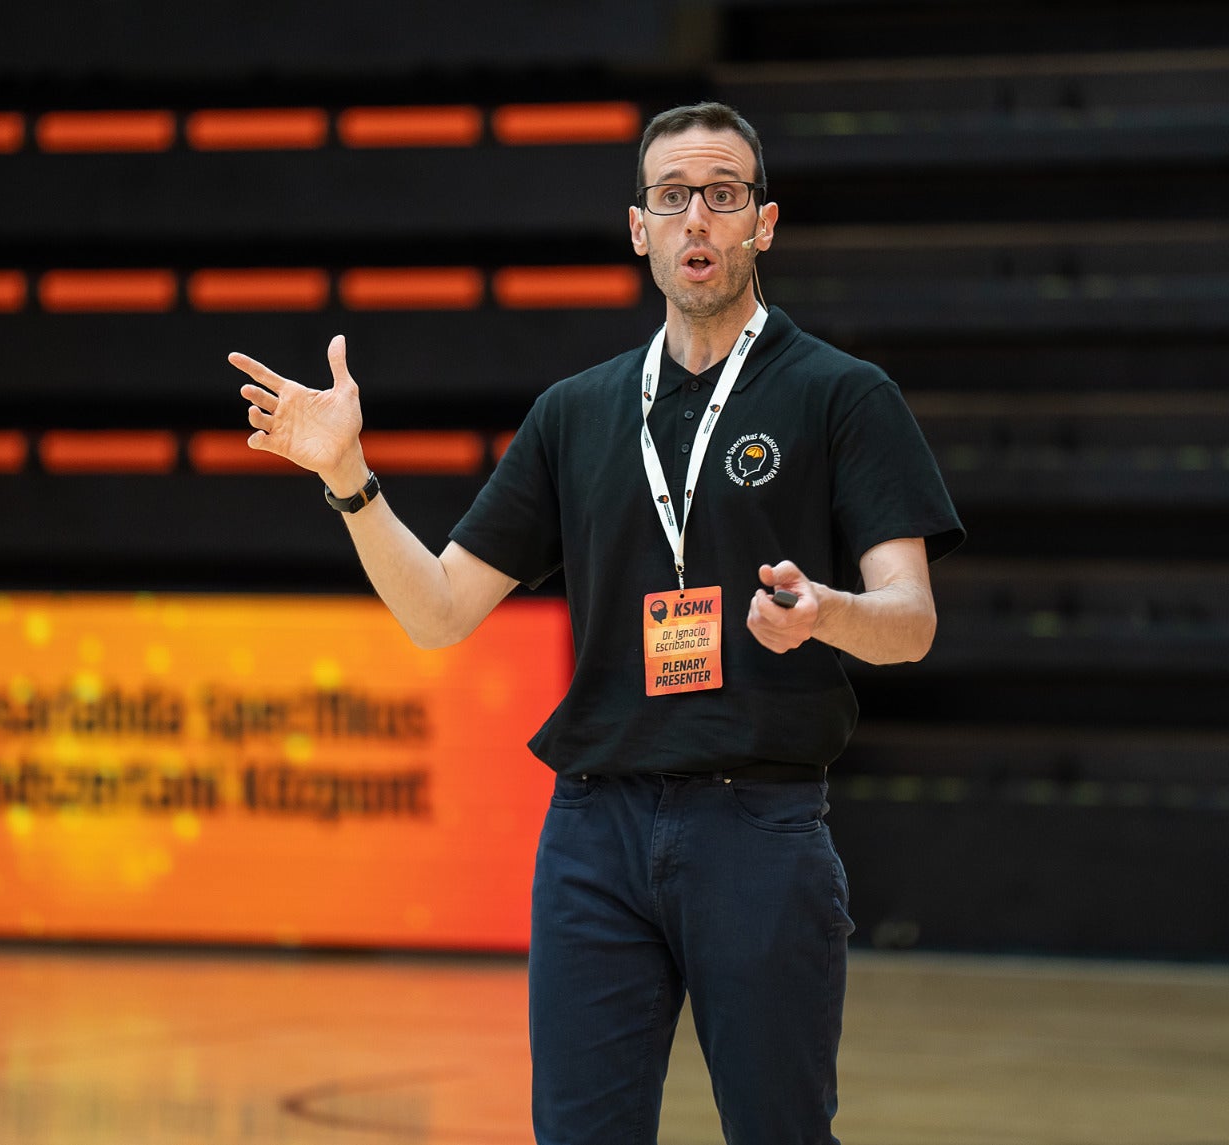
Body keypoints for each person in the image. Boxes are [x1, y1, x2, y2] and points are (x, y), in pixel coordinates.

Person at [229, 101, 963, 1145]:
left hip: (755, 825)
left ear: (763, 222)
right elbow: (438, 611)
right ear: (638, 228)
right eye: (671, 198)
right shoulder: (574, 412)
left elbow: (912, 620)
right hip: (593, 829)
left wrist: (827, 613)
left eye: (722, 194)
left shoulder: (842, 395)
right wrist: (348, 477)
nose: (696, 218)